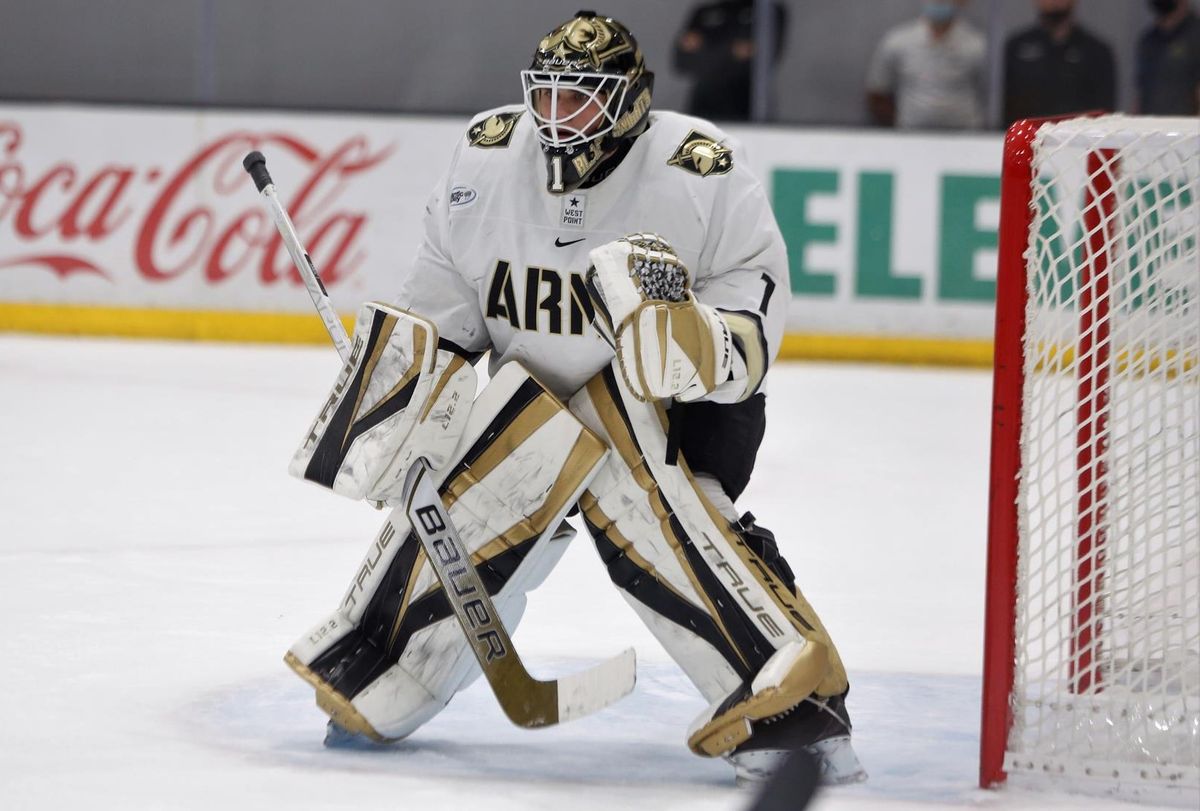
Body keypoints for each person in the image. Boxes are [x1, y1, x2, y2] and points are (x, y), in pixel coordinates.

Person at [283, 9, 865, 789]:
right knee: (485, 483)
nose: (558, 119)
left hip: (683, 408)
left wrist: (692, 342)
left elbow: (752, 316)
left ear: (629, 102)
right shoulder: (485, 160)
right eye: (547, 97)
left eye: (581, 99)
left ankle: (790, 699)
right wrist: (403, 400)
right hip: (532, 399)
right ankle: (390, 658)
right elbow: (446, 298)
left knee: (638, 481)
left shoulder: (699, 170)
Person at [865, 0, 987, 129]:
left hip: (968, 136)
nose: (940, 2)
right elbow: (878, 91)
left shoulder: (978, 45)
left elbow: (991, 94)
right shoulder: (897, 41)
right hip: (909, 134)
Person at [1003, 0, 1116, 126]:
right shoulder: (1017, 47)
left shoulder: (1097, 51)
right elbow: (1007, 107)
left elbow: (1104, 114)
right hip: (1027, 137)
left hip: (1079, 139)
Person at [673, 0, 789, 121]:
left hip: (747, 107)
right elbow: (682, 62)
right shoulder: (704, 13)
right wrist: (731, 51)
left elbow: (764, 59)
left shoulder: (767, 12)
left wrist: (707, 50)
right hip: (703, 108)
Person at [1137, 0, 1200, 115]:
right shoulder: (1148, 39)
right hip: (1150, 126)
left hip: (1185, 128)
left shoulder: (1195, 37)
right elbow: (1141, 93)